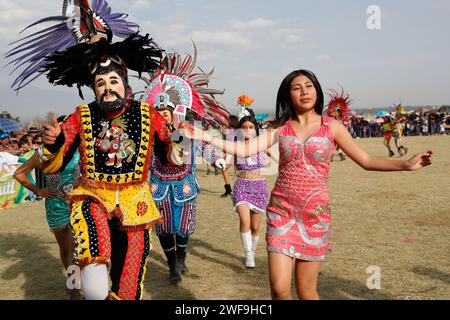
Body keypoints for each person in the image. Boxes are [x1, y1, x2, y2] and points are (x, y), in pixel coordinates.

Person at [181, 69, 433, 300]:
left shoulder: (332, 127)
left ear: (317, 91)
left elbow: (365, 160)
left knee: (306, 292)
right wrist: (203, 135)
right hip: (282, 213)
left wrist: (407, 165)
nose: (304, 91)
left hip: (315, 216)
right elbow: (245, 149)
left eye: (309, 86)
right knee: (279, 291)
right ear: (287, 95)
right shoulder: (279, 128)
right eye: (297, 87)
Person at [6, 0, 178, 300]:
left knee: (128, 283)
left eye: (113, 80)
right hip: (92, 198)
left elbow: (169, 153)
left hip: (135, 202)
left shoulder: (149, 115)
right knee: (95, 280)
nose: (107, 87)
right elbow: (59, 157)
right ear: (94, 88)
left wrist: (179, 148)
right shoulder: (81, 116)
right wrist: (52, 142)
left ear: (124, 82)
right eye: (100, 82)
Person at [142, 47, 229, 283]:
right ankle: (172, 266)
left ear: (173, 112)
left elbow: (202, 144)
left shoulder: (185, 130)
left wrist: (216, 158)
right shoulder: (149, 135)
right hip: (159, 186)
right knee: (163, 228)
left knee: (184, 227)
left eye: (166, 111)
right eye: (158, 111)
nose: (163, 115)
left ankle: (181, 256)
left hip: (184, 186)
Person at [13, 127, 82, 300]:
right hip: (56, 206)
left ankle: (84, 284)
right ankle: (73, 284)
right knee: (67, 249)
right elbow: (19, 174)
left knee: (80, 248)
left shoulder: (79, 149)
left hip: (79, 204)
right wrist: (38, 190)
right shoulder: (44, 153)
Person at [231, 102, 269, 268]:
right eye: (244, 127)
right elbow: (225, 159)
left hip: (259, 187)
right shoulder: (235, 145)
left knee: (255, 226)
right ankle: (248, 255)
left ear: (255, 129)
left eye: (251, 127)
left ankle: (253, 250)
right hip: (242, 187)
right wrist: (219, 161)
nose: (247, 130)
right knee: (245, 220)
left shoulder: (262, 144)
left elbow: (279, 157)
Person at [220, 115, 239, 197]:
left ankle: (229, 189)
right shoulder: (237, 130)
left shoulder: (230, 130)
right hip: (237, 152)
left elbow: (229, 141)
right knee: (237, 172)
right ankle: (230, 190)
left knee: (224, 169)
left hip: (232, 152)